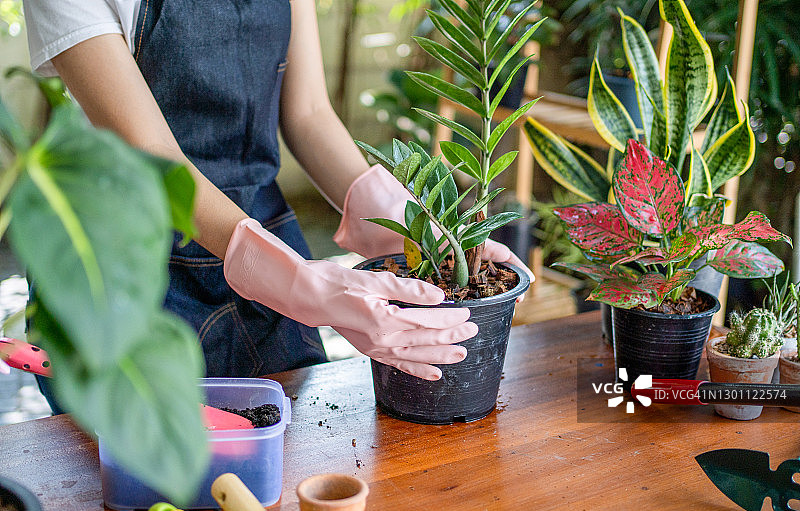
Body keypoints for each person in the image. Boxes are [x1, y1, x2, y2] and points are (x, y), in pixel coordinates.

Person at [22, 0, 534, 404]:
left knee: (289, 455)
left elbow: (308, 113)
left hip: (265, 238)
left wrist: (415, 231)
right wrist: (291, 281)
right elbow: (152, 155)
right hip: (121, 268)